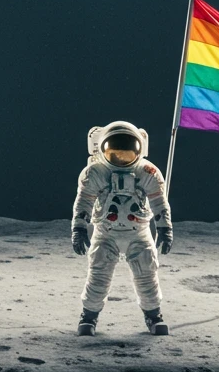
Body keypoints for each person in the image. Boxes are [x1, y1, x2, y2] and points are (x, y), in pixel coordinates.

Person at [71, 120, 173, 336]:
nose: (121, 156)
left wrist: (164, 228)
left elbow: (159, 203)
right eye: (115, 151)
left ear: (139, 148)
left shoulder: (148, 171)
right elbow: (84, 203)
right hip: (105, 233)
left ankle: (154, 316)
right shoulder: (96, 172)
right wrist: (78, 229)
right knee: (98, 275)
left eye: (127, 151)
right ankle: (88, 317)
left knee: (147, 275)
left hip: (139, 233)